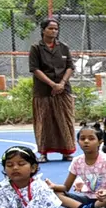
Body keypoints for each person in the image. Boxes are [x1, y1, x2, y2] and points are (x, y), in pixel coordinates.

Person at [29, 17, 76, 162]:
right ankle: (43, 152)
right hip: (43, 91)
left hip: (63, 90)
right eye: (51, 28)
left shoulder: (63, 47)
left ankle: (67, 151)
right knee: (44, 121)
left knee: (65, 120)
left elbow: (70, 66)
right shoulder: (36, 48)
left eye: (56, 28)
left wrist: (61, 83)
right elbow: (35, 69)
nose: (54, 31)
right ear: (43, 30)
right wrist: (52, 84)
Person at [57, 124, 106, 208]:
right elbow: (65, 188)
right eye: (82, 138)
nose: (86, 141)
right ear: (78, 142)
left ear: (100, 142)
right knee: (55, 194)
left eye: (91, 139)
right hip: (87, 199)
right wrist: (52, 187)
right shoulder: (77, 161)